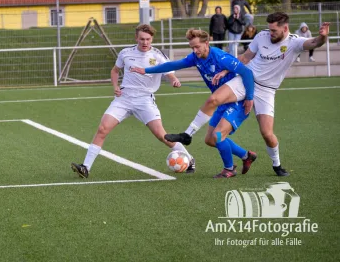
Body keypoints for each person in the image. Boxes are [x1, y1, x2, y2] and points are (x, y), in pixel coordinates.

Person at [213, 13, 330, 176]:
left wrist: (323, 37)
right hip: (246, 79)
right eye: (269, 29)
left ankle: (277, 165)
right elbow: (246, 57)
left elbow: (315, 42)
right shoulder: (261, 36)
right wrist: (226, 70)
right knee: (215, 99)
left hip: (266, 91)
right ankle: (193, 133)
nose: (270, 33)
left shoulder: (294, 42)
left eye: (274, 30)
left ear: (285, 28)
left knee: (267, 133)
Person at [71, 24, 193, 178]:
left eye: (148, 39)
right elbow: (115, 71)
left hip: (145, 100)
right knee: (102, 129)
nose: (145, 42)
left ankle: (189, 159)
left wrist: (174, 80)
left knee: (163, 136)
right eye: (142, 39)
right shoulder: (126, 53)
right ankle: (85, 167)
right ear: (136, 38)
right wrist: (115, 86)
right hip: (124, 98)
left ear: (152, 39)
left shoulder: (158, 55)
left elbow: (170, 74)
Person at [135, 29, 256, 178]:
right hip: (221, 101)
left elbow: (247, 73)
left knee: (218, 135)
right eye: (192, 47)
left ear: (206, 43)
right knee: (210, 140)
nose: (195, 50)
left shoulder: (220, 57)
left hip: (238, 101)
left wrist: (249, 98)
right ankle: (246, 156)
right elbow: (173, 65)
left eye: (197, 47)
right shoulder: (195, 57)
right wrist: (146, 70)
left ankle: (229, 169)